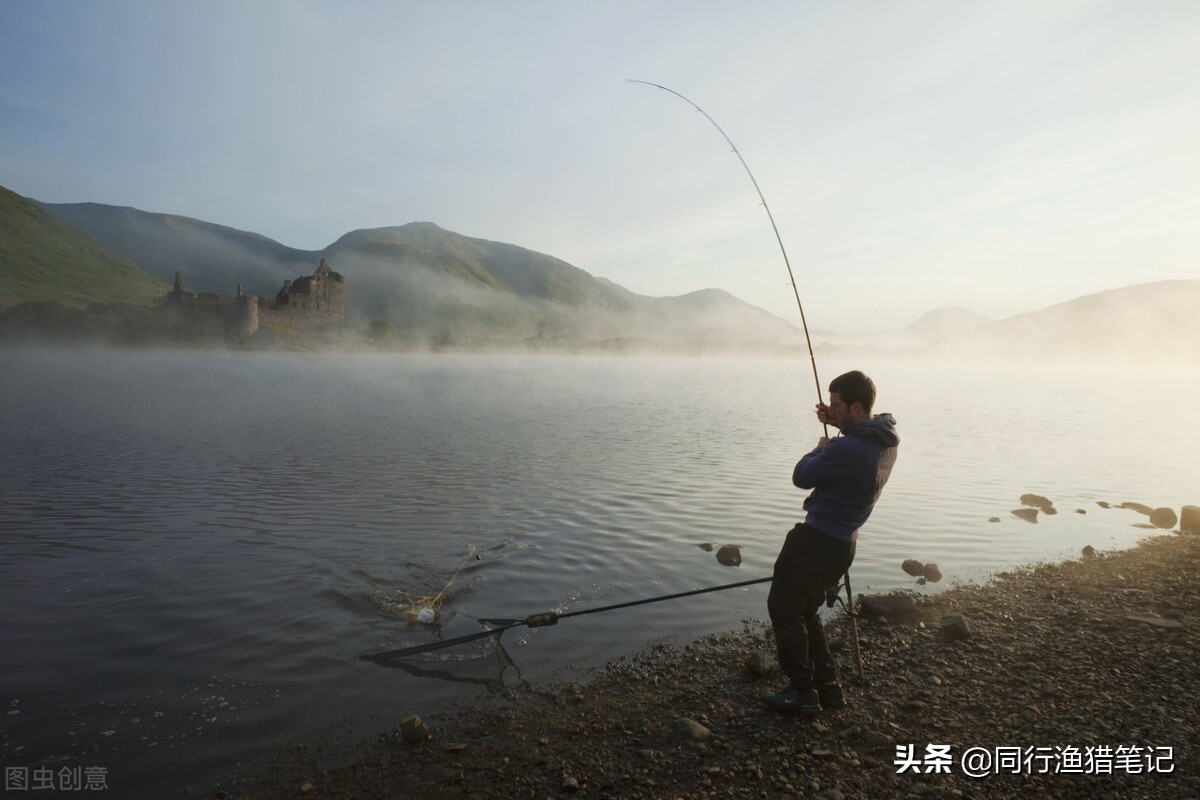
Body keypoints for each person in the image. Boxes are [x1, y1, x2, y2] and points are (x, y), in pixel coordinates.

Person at [765, 370, 899, 715]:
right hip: (843, 544)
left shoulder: (846, 448)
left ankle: (803, 693)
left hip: (816, 541)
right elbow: (857, 439)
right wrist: (839, 423)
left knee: (783, 609)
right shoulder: (884, 439)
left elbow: (802, 476)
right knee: (805, 609)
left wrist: (820, 446)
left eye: (837, 405)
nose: (830, 408)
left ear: (856, 406)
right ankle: (828, 689)